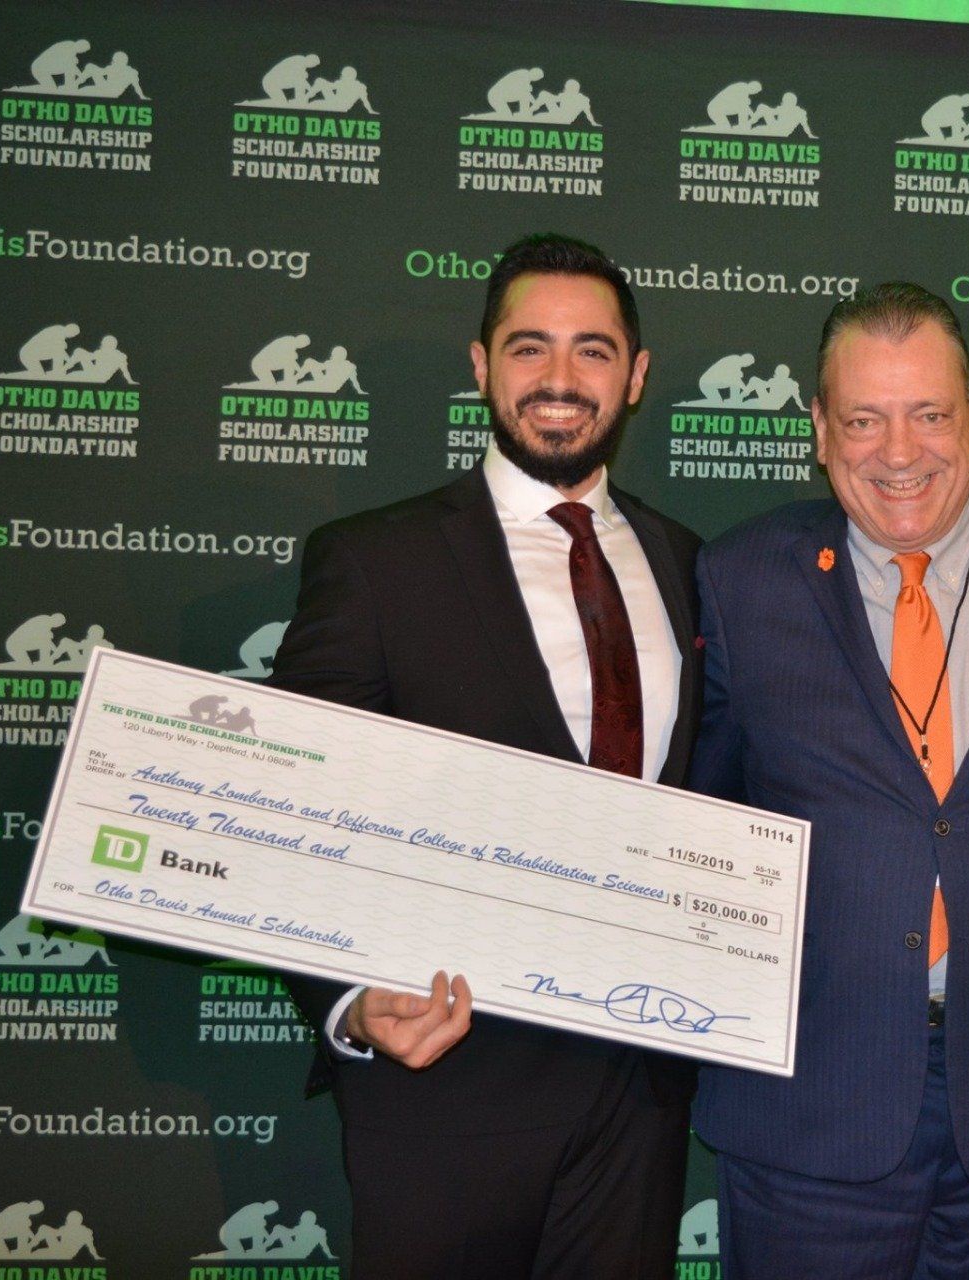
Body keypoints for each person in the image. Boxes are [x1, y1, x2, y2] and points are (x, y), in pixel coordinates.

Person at [268, 233, 700, 1279]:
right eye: (529, 348)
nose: (560, 379)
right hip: (445, 1087)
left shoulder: (691, 564)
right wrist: (349, 997)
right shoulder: (375, 563)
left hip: (636, 1103)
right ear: (480, 364)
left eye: (593, 351)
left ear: (636, 376)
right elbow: (289, 809)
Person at [689, 282, 969, 1278]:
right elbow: (691, 817)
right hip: (809, 1107)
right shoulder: (740, 579)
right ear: (819, 429)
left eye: (929, 413)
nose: (899, 451)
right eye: (864, 418)